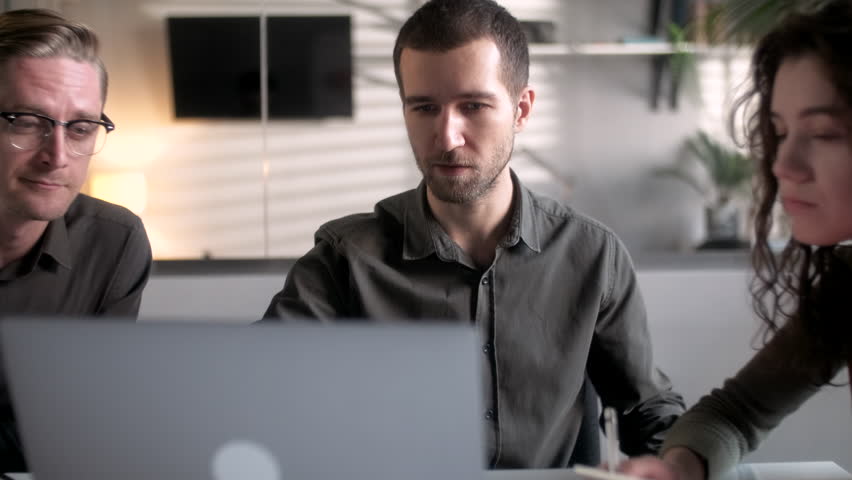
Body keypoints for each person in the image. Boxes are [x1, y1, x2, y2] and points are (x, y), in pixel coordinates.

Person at [262, 0, 684, 468]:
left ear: (521, 110)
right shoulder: (344, 260)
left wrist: (673, 464)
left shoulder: (591, 255)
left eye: (473, 106)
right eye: (424, 107)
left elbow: (649, 411)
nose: (446, 137)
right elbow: (263, 398)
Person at [619, 2, 852, 479]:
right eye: (780, 132)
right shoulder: (846, 285)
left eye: (824, 133)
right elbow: (736, 413)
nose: (783, 165)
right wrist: (681, 468)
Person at [0, 9, 152, 471]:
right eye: (26, 121)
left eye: (82, 128)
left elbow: (86, 422)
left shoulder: (114, 243)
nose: (58, 156)